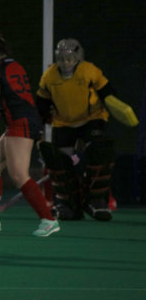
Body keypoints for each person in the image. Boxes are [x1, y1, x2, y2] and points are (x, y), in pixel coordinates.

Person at [0, 31, 60, 237]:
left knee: (19, 174)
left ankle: (48, 219)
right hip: (21, 122)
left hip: (21, 124)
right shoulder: (16, 65)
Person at [35, 38, 116, 221]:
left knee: (100, 153)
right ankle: (67, 203)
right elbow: (41, 103)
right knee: (59, 161)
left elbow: (108, 93)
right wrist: (37, 126)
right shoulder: (49, 76)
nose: (65, 63)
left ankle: (96, 201)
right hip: (63, 123)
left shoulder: (90, 70)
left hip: (92, 118)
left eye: (69, 59)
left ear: (78, 58)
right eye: (62, 59)